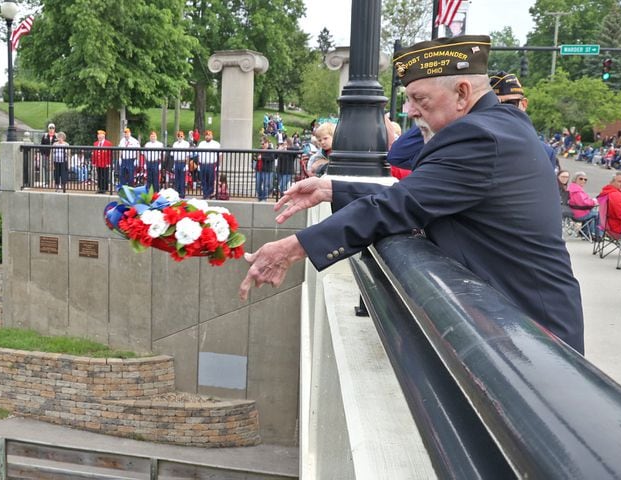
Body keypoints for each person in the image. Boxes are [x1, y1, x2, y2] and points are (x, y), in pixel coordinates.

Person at [239, 34, 585, 354]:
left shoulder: (477, 136)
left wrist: (292, 248)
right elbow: (420, 192)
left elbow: (400, 205)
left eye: (419, 99)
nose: (410, 111)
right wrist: (331, 187)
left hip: (529, 334)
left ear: (463, 93)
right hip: (520, 324)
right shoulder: (498, 124)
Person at [489, 71, 557, 171]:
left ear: (524, 104)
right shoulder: (472, 147)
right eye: (495, 104)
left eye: (510, 104)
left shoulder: (545, 153)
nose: (502, 110)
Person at [567, 171, 599, 239]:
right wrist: (594, 202)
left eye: (585, 179)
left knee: (592, 213)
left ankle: (586, 233)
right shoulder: (576, 191)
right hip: (578, 214)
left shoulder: (572, 188)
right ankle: (597, 235)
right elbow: (583, 203)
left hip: (575, 212)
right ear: (575, 179)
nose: (583, 181)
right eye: (581, 179)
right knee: (598, 215)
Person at [197, 130, 221, 199]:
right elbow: (199, 155)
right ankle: (205, 194)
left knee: (210, 179)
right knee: (203, 179)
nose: (207, 136)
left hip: (211, 164)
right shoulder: (201, 144)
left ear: (212, 136)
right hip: (203, 164)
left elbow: (220, 155)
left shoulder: (216, 144)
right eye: (206, 135)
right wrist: (198, 164)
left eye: (209, 135)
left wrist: (218, 165)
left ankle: (210, 194)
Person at [92, 130, 113, 194]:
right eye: (98, 136)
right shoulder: (95, 143)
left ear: (103, 136)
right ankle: (100, 188)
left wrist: (109, 163)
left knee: (105, 176)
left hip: (105, 162)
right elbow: (94, 154)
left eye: (100, 136)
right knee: (99, 176)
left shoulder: (108, 143)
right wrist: (93, 162)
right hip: (98, 162)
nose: (99, 137)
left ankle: (104, 188)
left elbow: (110, 154)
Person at [172, 130, 190, 197]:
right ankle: (177, 193)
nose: (180, 137)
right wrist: (174, 164)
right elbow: (174, 155)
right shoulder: (175, 144)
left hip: (183, 162)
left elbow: (187, 155)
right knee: (176, 179)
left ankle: (182, 194)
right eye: (178, 136)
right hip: (176, 162)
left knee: (182, 179)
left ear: (184, 136)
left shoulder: (186, 144)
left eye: (181, 136)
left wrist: (187, 164)